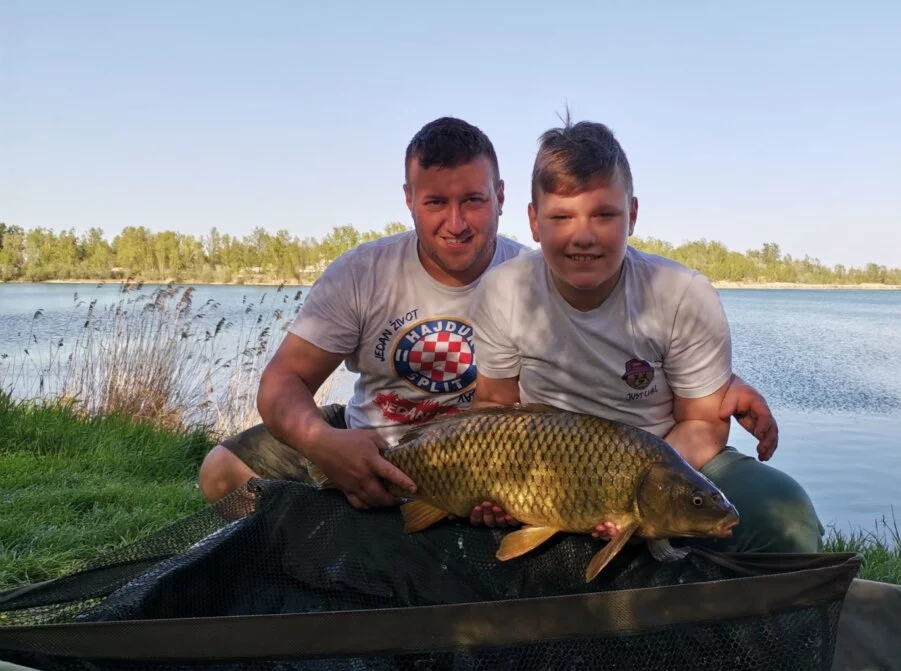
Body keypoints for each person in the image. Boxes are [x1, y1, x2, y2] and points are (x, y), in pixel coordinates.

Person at [196, 116, 782, 525]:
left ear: (501, 199)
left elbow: (602, 353)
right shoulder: (364, 272)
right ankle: (306, 542)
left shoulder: (539, 271)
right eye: (435, 202)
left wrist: (719, 385)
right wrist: (323, 443)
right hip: (371, 438)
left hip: (495, 461)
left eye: (473, 200)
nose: (456, 223)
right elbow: (282, 380)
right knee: (221, 474)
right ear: (409, 199)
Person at [467, 115, 823, 553]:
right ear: (534, 221)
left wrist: (634, 494)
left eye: (604, 215)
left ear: (632, 215)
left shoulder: (681, 294)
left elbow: (701, 423)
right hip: (544, 472)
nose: (583, 236)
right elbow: (494, 406)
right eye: (561, 217)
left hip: (667, 460)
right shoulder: (504, 290)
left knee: (785, 513)